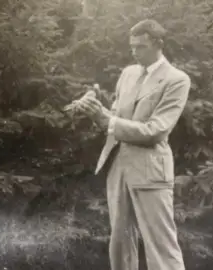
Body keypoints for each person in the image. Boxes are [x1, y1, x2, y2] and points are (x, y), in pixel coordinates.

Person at [79, 19, 191, 270]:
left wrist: (104, 118)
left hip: (151, 172)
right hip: (117, 167)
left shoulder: (177, 80)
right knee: (120, 245)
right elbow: (117, 116)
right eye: (132, 46)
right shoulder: (128, 73)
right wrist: (95, 107)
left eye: (140, 46)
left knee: (161, 247)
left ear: (158, 44)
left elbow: (155, 131)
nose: (134, 52)